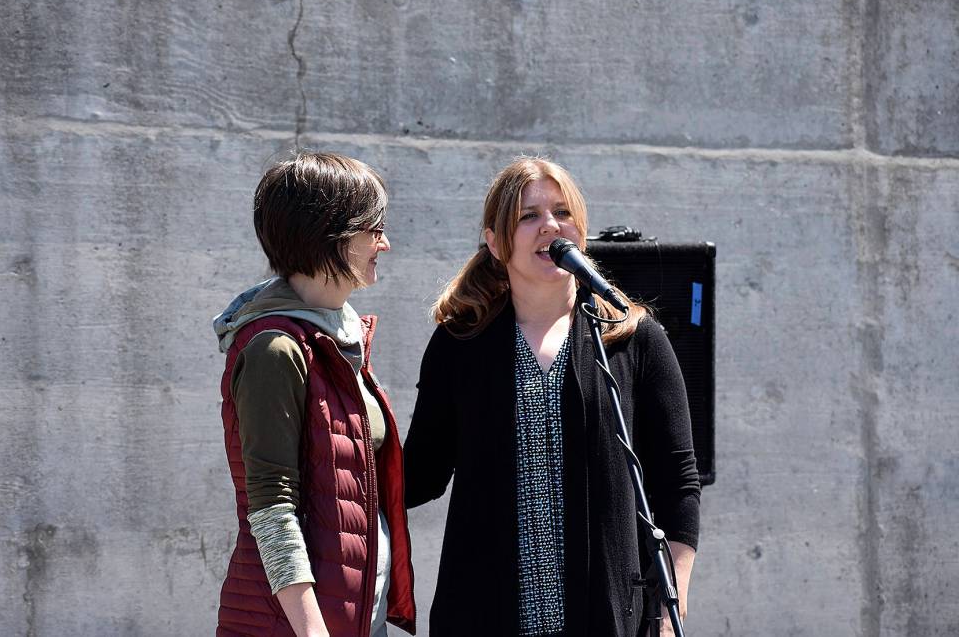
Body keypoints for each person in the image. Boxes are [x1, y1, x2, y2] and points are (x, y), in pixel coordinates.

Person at [403, 157, 700, 637]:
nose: (551, 227)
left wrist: (670, 606)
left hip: (606, 617)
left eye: (562, 213)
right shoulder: (461, 343)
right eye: (528, 216)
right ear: (495, 242)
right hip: (485, 615)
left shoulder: (632, 339)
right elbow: (419, 475)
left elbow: (677, 482)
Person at [213, 152, 416, 637]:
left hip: (357, 617)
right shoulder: (275, 350)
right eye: (374, 227)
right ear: (331, 233)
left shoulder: (340, 341)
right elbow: (272, 508)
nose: (384, 243)